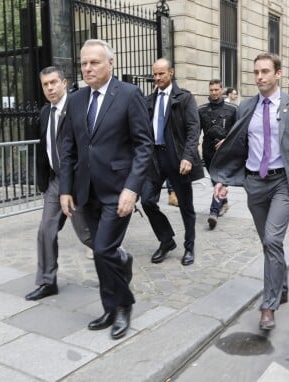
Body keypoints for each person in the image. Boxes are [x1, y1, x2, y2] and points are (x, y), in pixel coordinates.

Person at [210, 53, 289, 331]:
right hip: (254, 184)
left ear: (278, 74)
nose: (259, 77)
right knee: (269, 243)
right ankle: (281, 285)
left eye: (265, 71)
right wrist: (223, 179)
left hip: (283, 182)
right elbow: (238, 146)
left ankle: (268, 305)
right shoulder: (246, 106)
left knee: (273, 240)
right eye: (256, 72)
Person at [59, 39, 153, 339]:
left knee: (102, 249)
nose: (87, 68)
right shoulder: (75, 100)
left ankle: (124, 306)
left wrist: (132, 189)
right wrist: (65, 189)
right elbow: (69, 149)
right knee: (103, 252)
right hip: (86, 191)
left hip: (118, 191)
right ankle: (109, 307)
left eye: (94, 62)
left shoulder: (128, 95)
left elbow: (144, 145)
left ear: (110, 64)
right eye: (83, 63)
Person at [25, 66, 93, 302]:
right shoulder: (45, 112)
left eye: (54, 82)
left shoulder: (78, 109)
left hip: (75, 183)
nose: (50, 87)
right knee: (46, 230)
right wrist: (43, 182)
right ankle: (47, 281)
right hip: (55, 181)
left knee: (87, 235)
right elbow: (45, 149)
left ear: (65, 83)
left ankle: (118, 258)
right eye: (45, 84)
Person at [140, 58, 204, 266]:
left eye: (161, 74)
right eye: (155, 74)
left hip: (177, 158)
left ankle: (189, 246)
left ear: (171, 73)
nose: (157, 78)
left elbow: (194, 129)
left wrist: (187, 156)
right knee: (147, 201)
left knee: (186, 206)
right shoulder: (148, 100)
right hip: (155, 160)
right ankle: (166, 240)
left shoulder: (184, 98)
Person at [199, 79, 237, 229]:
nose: (214, 92)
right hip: (208, 152)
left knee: (219, 179)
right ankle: (224, 201)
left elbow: (238, 130)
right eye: (211, 90)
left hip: (225, 152)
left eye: (216, 89)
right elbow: (196, 131)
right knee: (215, 181)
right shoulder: (201, 110)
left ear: (221, 90)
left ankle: (213, 212)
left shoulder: (232, 109)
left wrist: (227, 141)